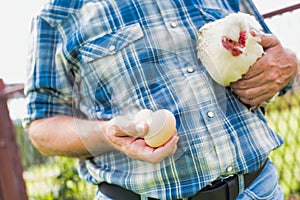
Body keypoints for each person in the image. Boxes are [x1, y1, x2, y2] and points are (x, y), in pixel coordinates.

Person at [24, 0, 298, 199]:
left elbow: (275, 60)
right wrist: (106, 134)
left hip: (258, 189)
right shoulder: (56, 17)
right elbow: (42, 128)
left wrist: (289, 64)